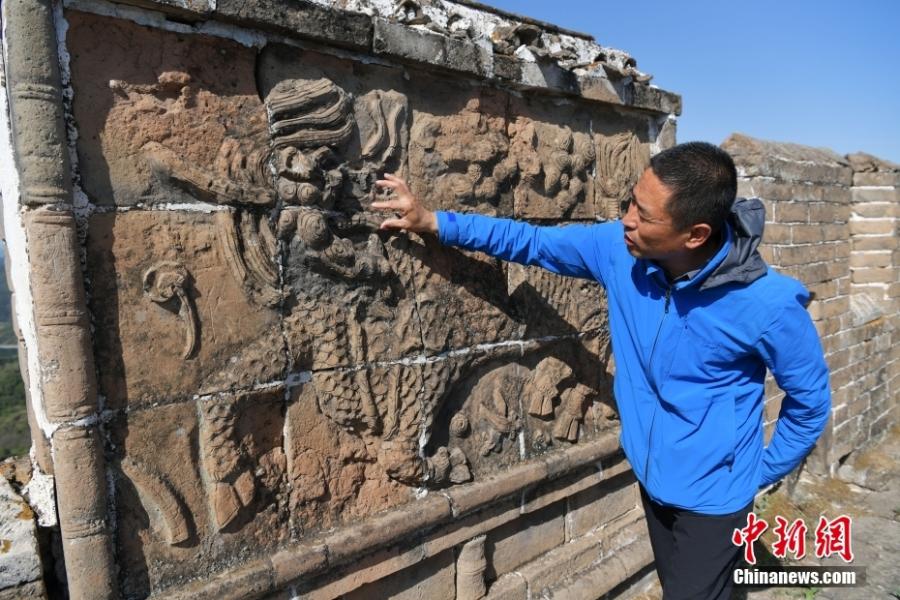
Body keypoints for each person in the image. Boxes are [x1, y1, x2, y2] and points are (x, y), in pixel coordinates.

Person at [372, 142, 831, 600]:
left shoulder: (767, 305)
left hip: (715, 500)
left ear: (695, 234)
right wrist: (433, 221)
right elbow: (531, 242)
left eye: (644, 216)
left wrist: (757, 472)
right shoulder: (620, 252)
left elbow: (809, 403)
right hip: (653, 478)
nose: (627, 220)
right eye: (631, 202)